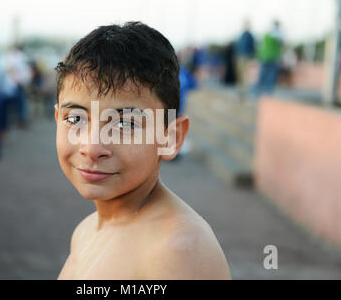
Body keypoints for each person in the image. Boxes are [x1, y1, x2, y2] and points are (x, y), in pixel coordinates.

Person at [54, 22, 231, 280]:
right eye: (75, 119)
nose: (92, 147)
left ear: (171, 136)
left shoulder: (177, 249)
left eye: (125, 123)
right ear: (57, 119)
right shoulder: (85, 230)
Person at [250, 20, 283, 98]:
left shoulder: (266, 34)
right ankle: (267, 92)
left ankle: (258, 91)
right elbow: (279, 45)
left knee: (263, 74)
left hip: (264, 57)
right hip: (272, 57)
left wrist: (259, 55)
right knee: (270, 75)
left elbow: (261, 46)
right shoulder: (277, 34)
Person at [235, 20, 256, 96]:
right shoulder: (242, 35)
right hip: (240, 57)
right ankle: (240, 89)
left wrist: (252, 57)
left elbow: (253, 47)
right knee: (240, 74)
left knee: (245, 75)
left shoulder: (250, 36)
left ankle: (244, 91)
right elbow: (238, 47)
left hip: (246, 57)